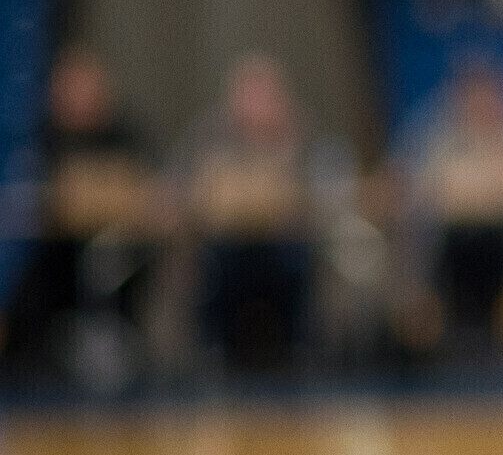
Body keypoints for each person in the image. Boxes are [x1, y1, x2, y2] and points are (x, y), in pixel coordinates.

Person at [3, 45, 155, 384]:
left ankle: (114, 341)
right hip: (59, 252)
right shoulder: (46, 139)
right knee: (32, 274)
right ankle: (39, 354)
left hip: (116, 246)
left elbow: (147, 188)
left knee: (115, 260)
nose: (80, 97)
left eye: (86, 86)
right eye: (71, 88)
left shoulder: (125, 134)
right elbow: (30, 196)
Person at [396, 58, 503, 346]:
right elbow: (419, 189)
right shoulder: (437, 136)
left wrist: (480, 192)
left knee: (496, 252)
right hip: (452, 244)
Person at [181, 54, 326, 369]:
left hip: (281, 242)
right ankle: (213, 350)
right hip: (227, 244)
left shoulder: (301, 133)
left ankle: (301, 347)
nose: (257, 105)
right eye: (249, 95)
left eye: (265, 95)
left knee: (298, 258)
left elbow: (321, 191)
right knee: (213, 263)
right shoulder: (209, 133)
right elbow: (187, 189)